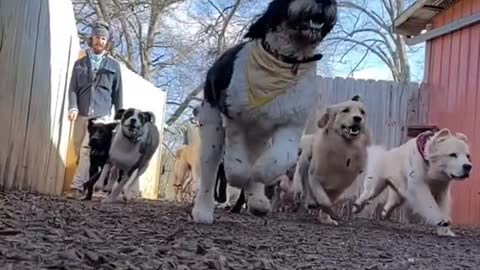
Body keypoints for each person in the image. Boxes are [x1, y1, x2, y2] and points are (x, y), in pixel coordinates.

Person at [67, 21, 123, 199]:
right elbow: (73, 88)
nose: (100, 41)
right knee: (79, 150)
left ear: (107, 42)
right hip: (82, 113)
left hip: (102, 115)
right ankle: (90, 187)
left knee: (87, 150)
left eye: (103, 38)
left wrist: (119, 115)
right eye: (97, 37)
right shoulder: (80, 64)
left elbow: (117, 92)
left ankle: (78, 188)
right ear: (91, 39)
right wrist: (73, 106)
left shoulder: (114, 66)